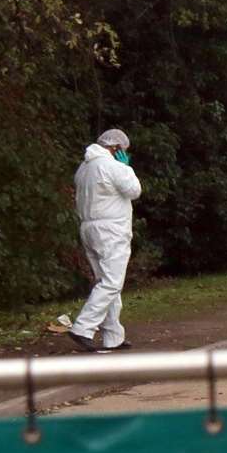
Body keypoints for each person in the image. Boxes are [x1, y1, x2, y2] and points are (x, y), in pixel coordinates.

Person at [71, 128, 142, 352]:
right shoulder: (113, 166)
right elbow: (134, 190)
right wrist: (126, 167)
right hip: (111, 228)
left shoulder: (84, 167)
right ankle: (83, 327)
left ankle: (113, 336)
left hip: (88, 227)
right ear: (115, 148)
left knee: (106, 282)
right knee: (112, 282)